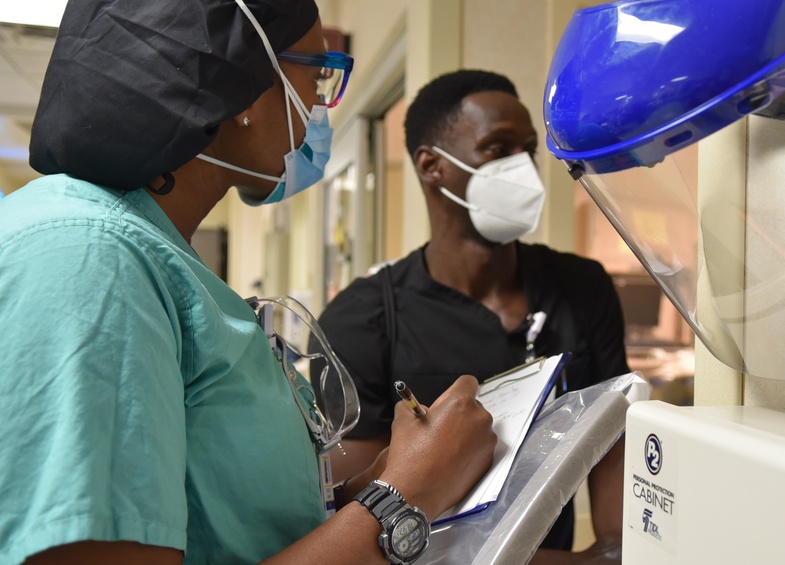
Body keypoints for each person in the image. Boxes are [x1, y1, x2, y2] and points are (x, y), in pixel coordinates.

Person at [0, 1, 496, 564]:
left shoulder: (147, 251)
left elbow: (224, 520)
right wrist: (407, 494)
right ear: (244, 88)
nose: (318, 103)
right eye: (317, 71)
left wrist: (377, 484)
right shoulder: (89, 258)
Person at [314, 69, 630, 563]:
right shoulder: (366, 318)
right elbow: (358, 523)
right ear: (431, 166)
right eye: (499, 148)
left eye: (529, 149)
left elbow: (613, 443)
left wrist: (611, 552)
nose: (524, 166)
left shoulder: (582, 288)